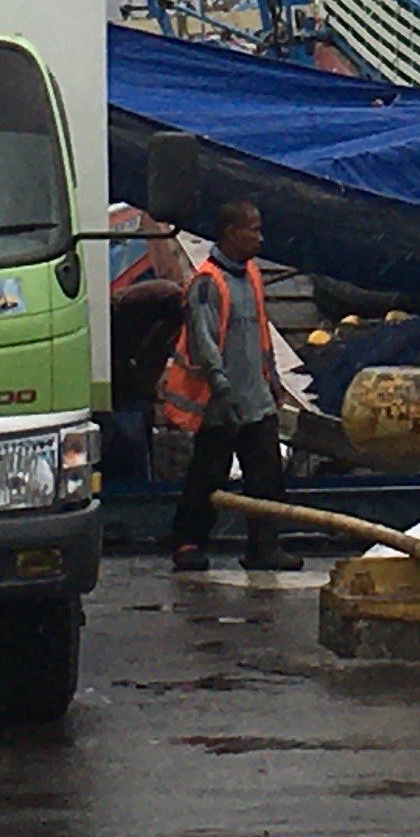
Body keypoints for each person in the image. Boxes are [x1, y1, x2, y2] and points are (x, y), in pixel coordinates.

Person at [162, 200, 286, 573]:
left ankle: (263, 548)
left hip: (255, 399)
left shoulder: (250, 275)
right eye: (254, 229)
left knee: (266, 479)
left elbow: (259, 333)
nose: (260, 238)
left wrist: (273, 378)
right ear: (232, 233)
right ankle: (188, 542)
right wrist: (220, 387)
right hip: (221, 403)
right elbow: (203, 342)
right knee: (207, 477)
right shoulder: (206, 283)